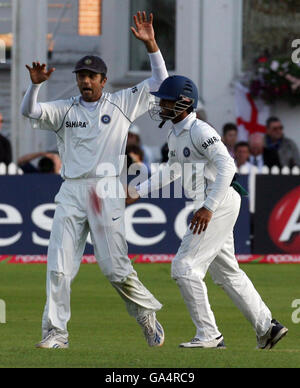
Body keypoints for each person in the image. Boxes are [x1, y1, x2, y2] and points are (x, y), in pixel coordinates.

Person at [21, 11, 168, 349]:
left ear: (104, 80)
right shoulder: (65, 110)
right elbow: (30, 112)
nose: (86, 82)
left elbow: (160, 84)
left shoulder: (121, 104)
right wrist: (35, 86)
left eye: (92, 76)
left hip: (105, 191)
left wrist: (151, 45)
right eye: (82, 76)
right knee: (58, 267)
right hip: (71, 190)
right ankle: (56, 334)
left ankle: (146, 313)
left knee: (114, 270)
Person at [127, 75, 288, 349]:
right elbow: (173, 170)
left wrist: (208, 208)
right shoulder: (175, 133)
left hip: (219, 200)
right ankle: (267, 327)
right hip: (215, 201)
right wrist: (137, 191)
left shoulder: (200, 130)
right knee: (226, 273)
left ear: (184, 103)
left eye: (166, 102)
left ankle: (209, 335)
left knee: (184, 267)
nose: (161, 106)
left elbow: (228, 166)